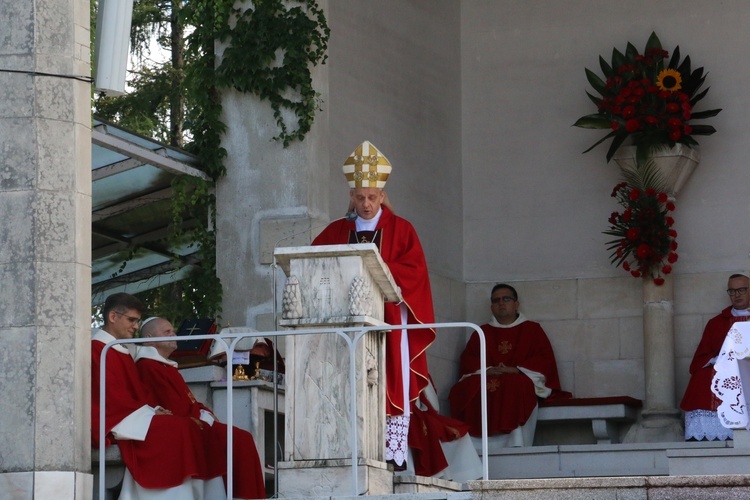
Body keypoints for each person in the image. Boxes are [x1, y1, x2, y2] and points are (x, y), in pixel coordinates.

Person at [312, 140, 479, 480]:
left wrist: (379, 271)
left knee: (392, 384)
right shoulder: (336, 231)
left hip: (388, 325)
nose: (366, 204)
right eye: (360, 197)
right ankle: (343, 448)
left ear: (383, 194)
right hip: (345, 327)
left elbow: (414, 272)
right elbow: (314, 263)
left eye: (373, 197)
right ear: (351, 197)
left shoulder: (401, 230)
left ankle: (394, 453)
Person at [91, 293, 226, 498]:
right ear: (112, 316)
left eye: (137, 321)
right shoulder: (98, 349)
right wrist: (147, 413)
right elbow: (110, 395)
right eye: (131, 320)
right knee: (179, 427)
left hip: (130, 413)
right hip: (113, 416)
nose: (135, 326)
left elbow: (137, 392)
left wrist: (152, 409)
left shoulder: (119, 350)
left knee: (185, 426)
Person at [137, 317, 267, 499]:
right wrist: (202, 418)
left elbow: (189, 400)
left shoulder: (165, 365)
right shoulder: (148, 366)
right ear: (149, 338)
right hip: (183, 425)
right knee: (238, 439)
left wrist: (205, 412)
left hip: (195, 419)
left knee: (241, 438)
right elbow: (171, 404)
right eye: (167, 332)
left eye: (173, 331)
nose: (173, 335)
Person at [449, 284, 568, 448]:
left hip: (517, 380)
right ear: (491, 307)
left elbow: (544, 359)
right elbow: (469, 360)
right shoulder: (481, 332)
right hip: (489, 376)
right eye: (496, 300)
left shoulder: (532, 330)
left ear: (516, 304)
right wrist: (488, 370)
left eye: (506, 299)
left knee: (516, 384)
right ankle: (473, 445)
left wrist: (516, 370)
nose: (501, 303)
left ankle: (515, 443)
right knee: (467, 387)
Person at [680, 272, 750, 441]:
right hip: (728, 370)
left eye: (741, 290)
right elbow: (699, 361)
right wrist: (718, 358)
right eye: (732, 291)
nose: (736, 295)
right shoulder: (716, 323)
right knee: (703, 376)